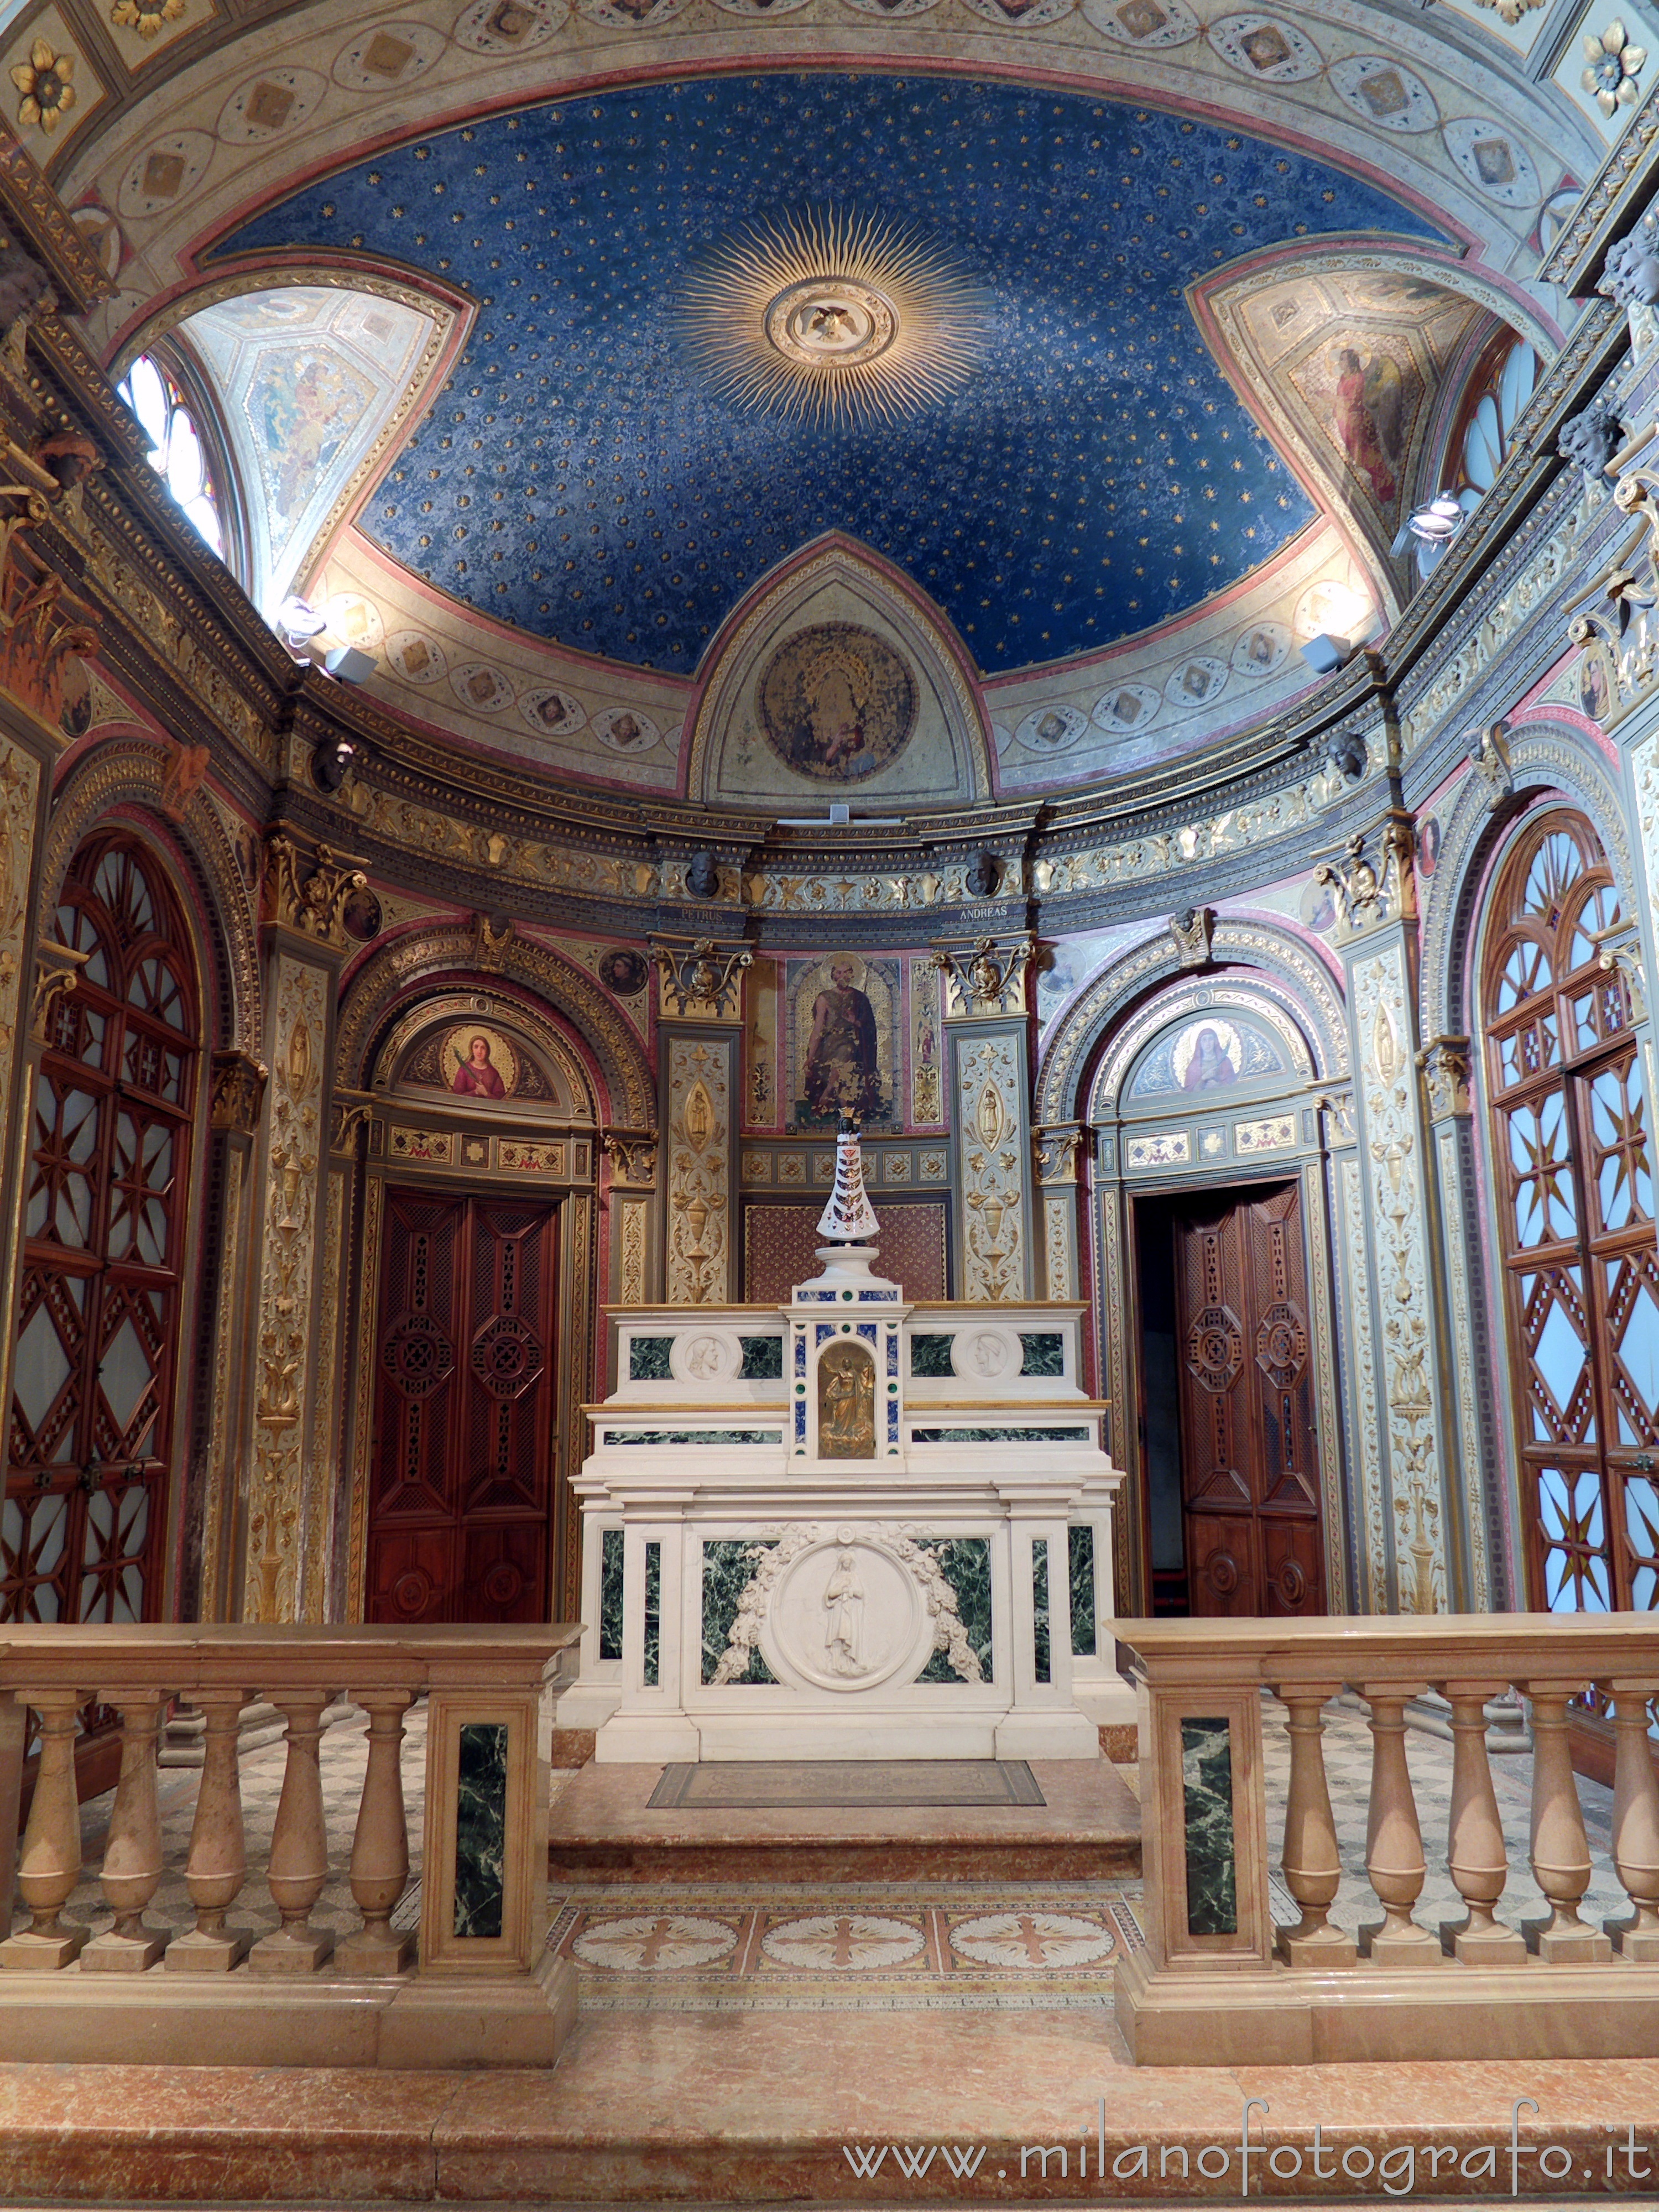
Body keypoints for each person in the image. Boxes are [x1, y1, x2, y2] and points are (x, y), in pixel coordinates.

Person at [802, 960, 881, 1121]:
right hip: (829, 1043)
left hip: (854, 1041)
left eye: (846, 972)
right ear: (833, 976)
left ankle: (827, 1095)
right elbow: (818, 1028)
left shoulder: (860, 998)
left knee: (847, 1051)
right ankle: (845, 1112)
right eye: (839, 972)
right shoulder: (824, 998)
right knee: (841, 1063)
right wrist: (810, 1057)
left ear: (852, 975)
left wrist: (855, 1022)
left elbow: (869, 1027)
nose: (842, 976)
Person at [452, 1033, 507, 1098]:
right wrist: (476, 1092)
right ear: (472, 1050)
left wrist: (486, 1093)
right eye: (476, 1047)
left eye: (483, 1048)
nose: (479, 1051)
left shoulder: (493, 1073)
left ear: (487, 1051)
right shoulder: (464, 1070)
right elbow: (457, 1096)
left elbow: (500, 1099)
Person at [1183, 1026, 1237, 1090]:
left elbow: (1233, 1086)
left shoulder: (1225, 1061)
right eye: (1204, 1040)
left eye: (1210, 1039)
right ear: (1200, 1043)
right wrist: (1203, 1078)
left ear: (1215, 1042)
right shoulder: (1193, 1066)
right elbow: (1189, 1093)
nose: (1208, 1043)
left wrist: (1218, 1086)